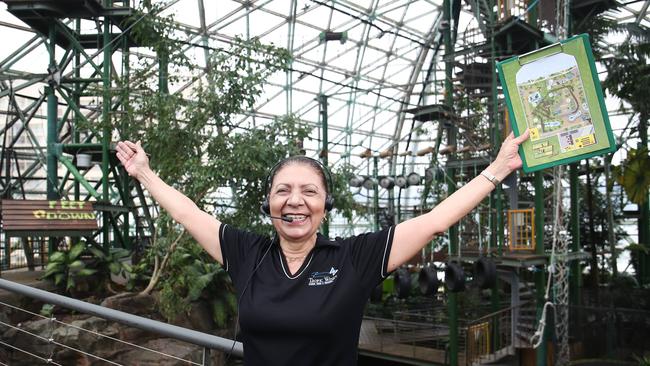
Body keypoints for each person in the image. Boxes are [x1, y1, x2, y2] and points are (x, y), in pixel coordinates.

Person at [115, 129, 529, 366]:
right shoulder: (247, 254)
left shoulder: (353, 258)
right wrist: (145, 174)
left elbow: (435, 221)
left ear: (325, 206)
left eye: (309, 192)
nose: (295, 201)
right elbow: (189, 215)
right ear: (269, 204)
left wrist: (498, 168)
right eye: (283, 191)